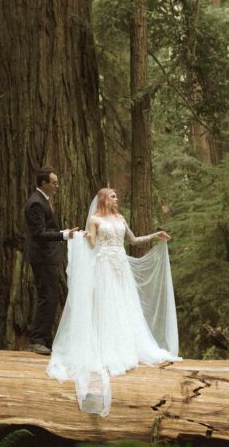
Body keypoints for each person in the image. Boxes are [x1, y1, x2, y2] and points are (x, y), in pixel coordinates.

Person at [47, 187, 179, 416]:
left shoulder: (120, 218)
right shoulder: (95, 220)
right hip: (104, 266)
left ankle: (128, 345)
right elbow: (91, 246)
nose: (117, 199)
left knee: (125, 306)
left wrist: (155, 236)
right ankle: (107, 348)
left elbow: (134, 240)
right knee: (107, 307)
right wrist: (83, 237)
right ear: (104, 199)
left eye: (117, 195)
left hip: (121, 268)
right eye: (113, 196)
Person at [24, 167, 79, 355]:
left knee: (51, 297)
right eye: (54, 182)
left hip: (49, 258)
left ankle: (44, 339)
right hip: (42, 258)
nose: (57, 186)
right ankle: (37, 340)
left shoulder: (43, 201)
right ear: (43, 184)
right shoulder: (36, 203)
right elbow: (38, 233)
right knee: (46, 297)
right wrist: (63, 235)